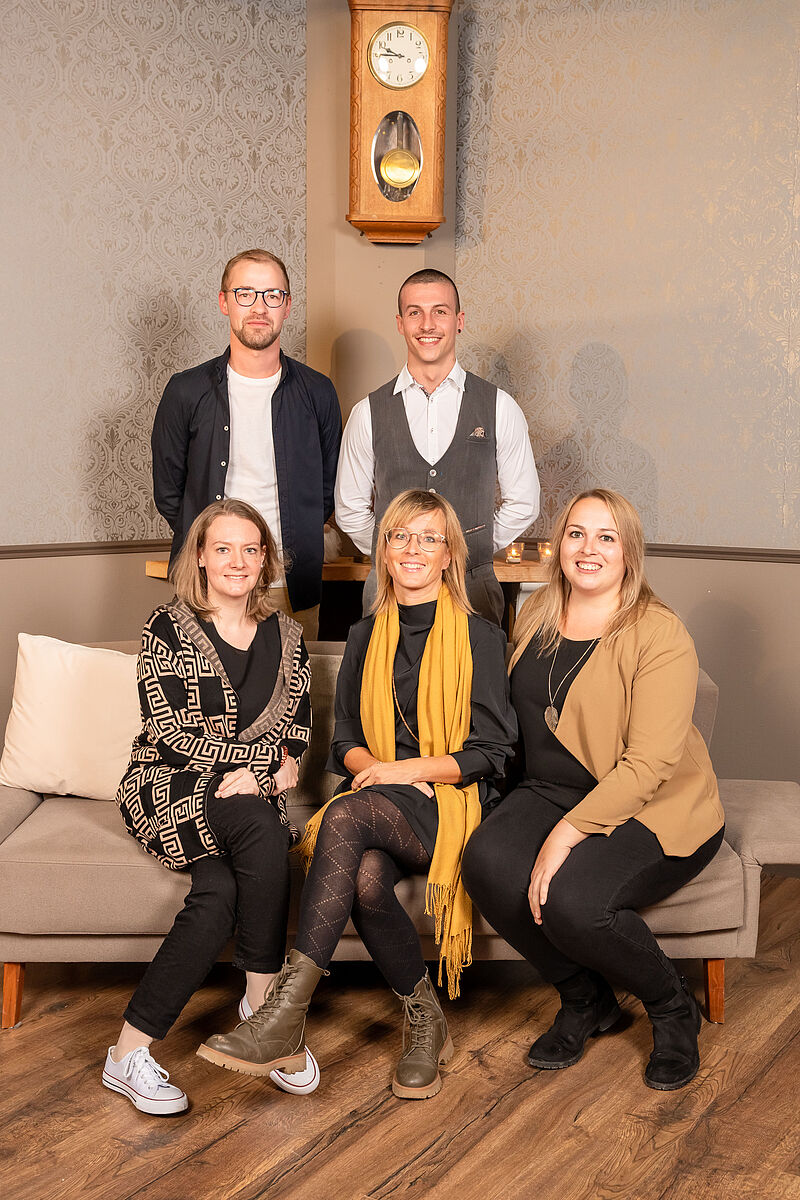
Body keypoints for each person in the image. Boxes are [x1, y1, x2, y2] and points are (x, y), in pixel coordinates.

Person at [197, 490, 516, 1099]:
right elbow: (344, 737)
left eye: (429, 538)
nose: (413, 549)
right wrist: (379, 770)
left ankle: (285, 1017)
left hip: (452, 803)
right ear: (384, 551)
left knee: (343, 816)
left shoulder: (481, 637)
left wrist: (404, 772)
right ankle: (426, 1021)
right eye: (400, 536)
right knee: (366, 878)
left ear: (449, 554)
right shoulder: (365, 634)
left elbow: (492, 752)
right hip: (379, 803)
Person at [461, 489, 725, 1091]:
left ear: (629, 552)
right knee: (486, 863)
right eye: (576, 533)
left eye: (607, 537)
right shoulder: (536, 613)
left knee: (574, 902)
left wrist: (564, 835)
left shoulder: (659, 633)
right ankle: (586, 1000)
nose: (589, 548)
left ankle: (671, 1006)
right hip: (552, 790)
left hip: (654, 803)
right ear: (559, 546)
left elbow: (650, 764)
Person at [104, 499, 319, 1115]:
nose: (238, 561)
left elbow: (298, 728)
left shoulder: (288, 636)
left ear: (265, 559)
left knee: (220, 892)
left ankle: (127, 1053)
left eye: (251, 549)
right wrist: (264, 771)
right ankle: (265, 1009)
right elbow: (173, 732)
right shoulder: (167, 628)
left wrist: (279, 766)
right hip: (169, 783)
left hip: (246, 794)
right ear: (200, 555)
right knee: (260, 826)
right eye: (223, 548)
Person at [152, 249, 342, 640]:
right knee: (201, 679)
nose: (259, 307)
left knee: (292, 678)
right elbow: (169, 492)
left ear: (287, 306)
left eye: (272, 295)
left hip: (289, 583)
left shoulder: (318, 392)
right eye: (245, 294)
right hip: (205, 582)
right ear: (225, 302)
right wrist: (215, 549)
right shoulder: (185, 391)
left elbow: (328, 490)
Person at [334, 269, 540, 625]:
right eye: (415, 312)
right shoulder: (367, 412)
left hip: (473, 590)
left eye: (439, 311)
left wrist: (469, 549)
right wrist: (397, 555)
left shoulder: (499, 407)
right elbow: (349, 509)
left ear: (459, 321)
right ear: (400, 323)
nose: (427, 324)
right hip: (389, 592)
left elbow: (524, 502)